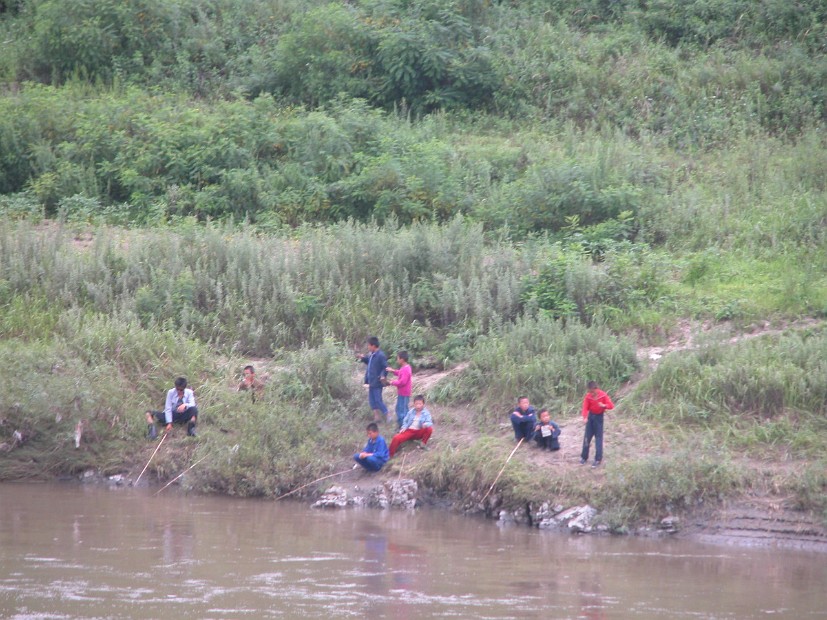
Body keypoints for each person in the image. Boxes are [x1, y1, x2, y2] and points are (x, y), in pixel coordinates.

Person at [580, 380, 615, 467]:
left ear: (596, 389)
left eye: (592, 391)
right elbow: (585, 407)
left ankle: (598, 459)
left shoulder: (603, 395)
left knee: (598, 438)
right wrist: (584, 417)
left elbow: (611, 405)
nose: (591, 393)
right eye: (589, 392)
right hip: (591, 417)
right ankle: (584, 457)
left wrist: (604, 405)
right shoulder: (588, 397)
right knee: (587, 437)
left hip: (599, 418)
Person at [357, 336, 389, 423]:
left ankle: (387, 414)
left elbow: (385, 367)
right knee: (372, 401)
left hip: (377, 382)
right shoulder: (371, 355)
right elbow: (368, 361)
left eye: (369, 345)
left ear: (373, 346)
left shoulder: (381, 355)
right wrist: (362, 358)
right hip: (371, 382)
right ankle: (377, 417)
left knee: (378, 400)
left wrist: (382, 376)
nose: (368, 347)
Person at [386, 350, 412, 429]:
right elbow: (400, 373)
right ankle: (402, 425)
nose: (397, 360)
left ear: (402, 359)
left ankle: (403, 427)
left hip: (404, 394)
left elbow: (402, 382)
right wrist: (393, 371)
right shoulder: (405, 368)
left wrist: (392, 382)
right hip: (402, 393)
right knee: (400, 409)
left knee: (402, 411)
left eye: (397, 358)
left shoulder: (406, 369)